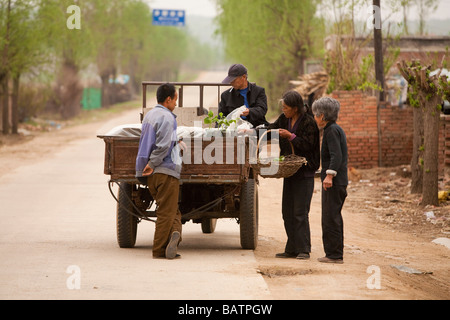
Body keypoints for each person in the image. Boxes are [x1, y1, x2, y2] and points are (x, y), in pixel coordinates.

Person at [268, 90, 320, 260]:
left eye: (286, 107)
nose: (284, 110)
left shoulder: (309, 122)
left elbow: (308, 145)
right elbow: (272, 129)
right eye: (282, 107)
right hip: (290, 170)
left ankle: (304, 249)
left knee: (300, 212)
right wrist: (254, 131)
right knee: (287, 212)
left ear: (296, 108)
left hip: (304, 172)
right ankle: (291, 248)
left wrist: (290, 136)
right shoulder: (284, 119)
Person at [135, 83, 182, 259]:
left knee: (171, 210)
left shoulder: (150, 116)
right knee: (165, 213)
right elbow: (163, 146)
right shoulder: (168, 118)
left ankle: (175, 236)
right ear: (168, 99)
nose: (176, 103)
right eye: (175, 99)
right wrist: (153, 163)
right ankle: (159, 250)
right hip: (165, 170)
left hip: (150, 173)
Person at [312, 97, 348, 264]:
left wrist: (329, 175)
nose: (314, 118)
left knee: (330, 217)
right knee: (332, 215)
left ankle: (334, 255)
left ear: (323, 116)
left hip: (334, 181)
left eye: (315, 115)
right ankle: (334, 252)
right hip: (336, 181)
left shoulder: (331, 131)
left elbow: (336, 156)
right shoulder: (334, 129)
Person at [219, 63, 269, 128]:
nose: (231, 83)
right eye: (230, 80)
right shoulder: (226, 96)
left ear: (244, 77)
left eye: (233, 80)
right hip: (235, 129)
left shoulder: (258, 91)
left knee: (274, 134)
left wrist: (250, 112)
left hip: (256, 127)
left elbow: (262, 109)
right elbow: (221, 118)